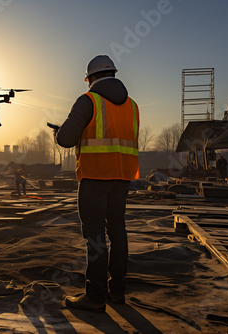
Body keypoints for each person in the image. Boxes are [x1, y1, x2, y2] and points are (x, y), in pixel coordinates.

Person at [54, 55, 139, 312]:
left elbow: (66, 139)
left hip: (95, 178)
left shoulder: (88, 100)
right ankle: (117, 292)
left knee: (95, 237)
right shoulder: (132, 105)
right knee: (118, 232)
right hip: (123, 176)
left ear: (90, 78)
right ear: (113, 74)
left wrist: (59, 132)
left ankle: (95, 297)